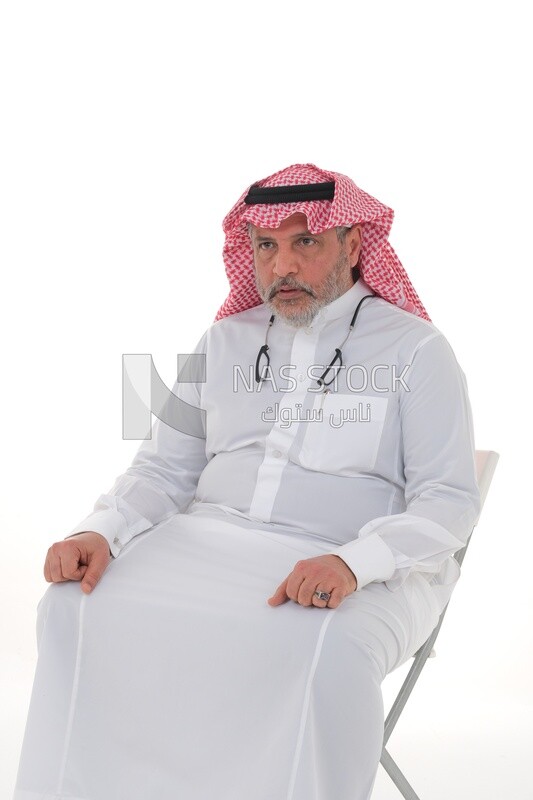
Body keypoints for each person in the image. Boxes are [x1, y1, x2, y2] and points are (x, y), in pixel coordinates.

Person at [13, 163, 480, 800]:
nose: (281, 266)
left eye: (304, 242)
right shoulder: (223, 342)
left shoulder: (418, 351)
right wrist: (100, 528)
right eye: (266, 247)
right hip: (207, 544)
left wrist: (353, 562)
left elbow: (449, 501)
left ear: (350, 243)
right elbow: (163, 468)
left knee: (330, 651)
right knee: (71, 606)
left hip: (356, 562)